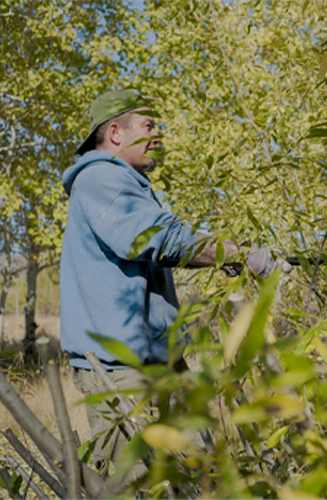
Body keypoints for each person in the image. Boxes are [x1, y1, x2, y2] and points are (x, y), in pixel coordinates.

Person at [59, 89, 278, 477]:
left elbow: (160, 247)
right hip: (119, 370)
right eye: (148, 125)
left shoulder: (125, 182)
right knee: (140, 483)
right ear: (115, 132)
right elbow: (156, 239)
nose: (158, 135)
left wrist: (225, 255)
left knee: (195, 474)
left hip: (156, 361)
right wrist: (238, 254)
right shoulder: (100, 179)